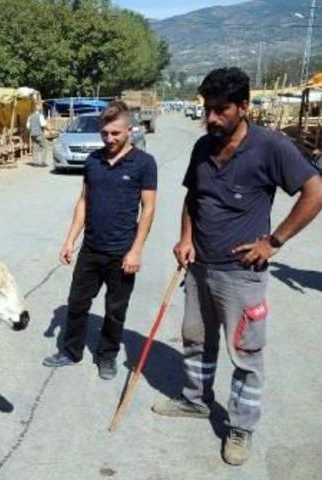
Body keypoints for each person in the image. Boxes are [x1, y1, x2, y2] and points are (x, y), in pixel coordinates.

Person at [151, 67, 322, 466]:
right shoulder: (203, 146)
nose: (211, 118)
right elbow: (194, 197)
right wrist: (185, 238)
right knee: (195, 338)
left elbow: (315, 191)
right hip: (199, 267)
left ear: (244, 107)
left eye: (220, 110)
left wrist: (273, 241)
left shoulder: (272, 147)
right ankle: (195, 400)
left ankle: (241, 426)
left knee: (245, 353)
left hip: (242, 274)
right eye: (207, 109)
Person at [42, 101, 157, 380]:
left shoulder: (144, 163)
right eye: (105, 133)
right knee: (77, 302)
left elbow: (149, 208)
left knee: (115, 310)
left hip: (122, 251)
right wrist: (70, 240)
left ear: (129, 129)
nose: (109, 139)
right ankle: (71, 351)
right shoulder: (93, 161)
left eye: (115, 133)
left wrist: (136, 251)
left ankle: (107, 355)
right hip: (91, 249)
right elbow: (84, 201)